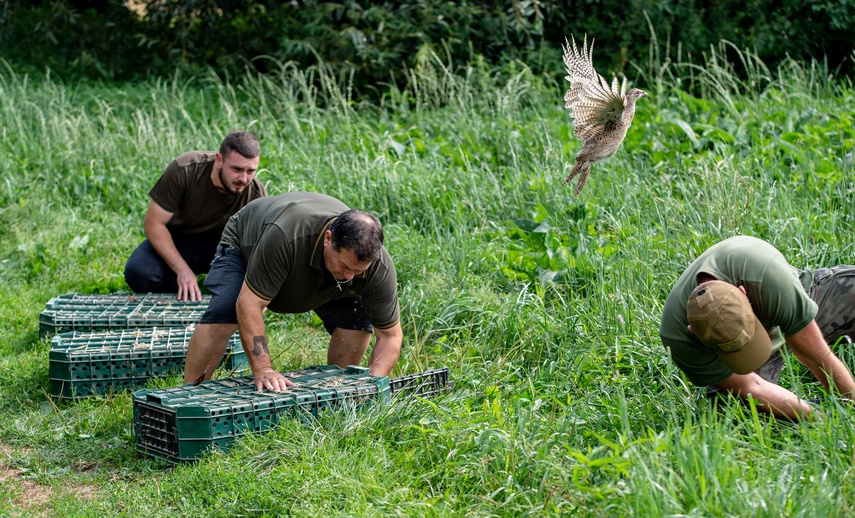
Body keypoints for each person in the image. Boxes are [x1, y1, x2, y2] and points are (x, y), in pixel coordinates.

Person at [183, 192, 403, 391]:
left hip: (311, 265)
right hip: (246, 244)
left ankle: (335, 389)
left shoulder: (377, 266)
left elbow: (390, 335)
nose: (349, 277)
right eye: (345, 266)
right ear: (328, 239)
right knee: (226, 311)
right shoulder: (286, 237)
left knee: (357, 318)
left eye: (357, 271)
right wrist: (264, 369)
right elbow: (249, 304)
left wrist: (374, 384)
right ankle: (189, 392)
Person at [660, 235, 855, 420]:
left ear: (743, 292)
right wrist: (821, 419)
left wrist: (851, 408)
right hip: (749, 363)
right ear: (693, 331)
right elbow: (752, 386)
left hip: (789, 307)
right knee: (737, 412)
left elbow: (815, 355)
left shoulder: (767, 278)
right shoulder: (679, 340)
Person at [124, 131, 267, 301]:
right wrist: (182, 271)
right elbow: (153, 223)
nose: (243, 178)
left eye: (250, 171)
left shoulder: (256, 195)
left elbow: (260, 247)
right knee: (138, 272)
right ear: (219, 160)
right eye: (236, 169)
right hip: (179, 238)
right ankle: (185, 286)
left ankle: (217, 283)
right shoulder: (185, 170)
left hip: (221, 243)